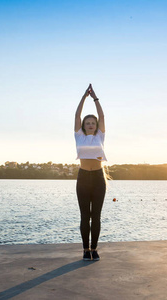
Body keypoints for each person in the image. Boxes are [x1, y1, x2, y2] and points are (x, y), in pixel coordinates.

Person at [74, 83, 107, 261]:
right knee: (84, 216)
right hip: (83, 177)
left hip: (98, 178)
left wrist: (95, 98)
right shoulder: (79, 136)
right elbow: (77, 115)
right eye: (88, 123)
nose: (91, 125)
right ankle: (85, 249)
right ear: (84, 126)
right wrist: (84, 97)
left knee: (96, 216)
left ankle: (94, 248)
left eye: (93, 123)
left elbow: (102, 115)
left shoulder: (100, 136)